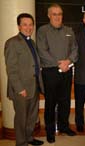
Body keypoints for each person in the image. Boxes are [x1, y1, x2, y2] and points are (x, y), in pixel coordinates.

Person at [36, 3, 78, 143]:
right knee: (50, 103)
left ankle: (64, 127)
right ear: (49, 15)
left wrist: (69, 61)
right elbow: (42, 51)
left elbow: (75, 49)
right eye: (54, 14)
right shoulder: (42, 31)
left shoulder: (69, 30)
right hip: (50, 72)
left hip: (67, 71)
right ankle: (49, 131)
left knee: (65, 101)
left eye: (59, 14)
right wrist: (60, 63)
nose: (57, 17)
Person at [4, 13, 44, 146]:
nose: (28, 27)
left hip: (34, 86)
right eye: (25, 24)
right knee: (21, 118)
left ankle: (29, 138)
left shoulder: (31, 42)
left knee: (32, 116)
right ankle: (21, 143)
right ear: (19, 26)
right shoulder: (12, 43)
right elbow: (11, 69)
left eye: (30, 24)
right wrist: (20, 88)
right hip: (21, 89)